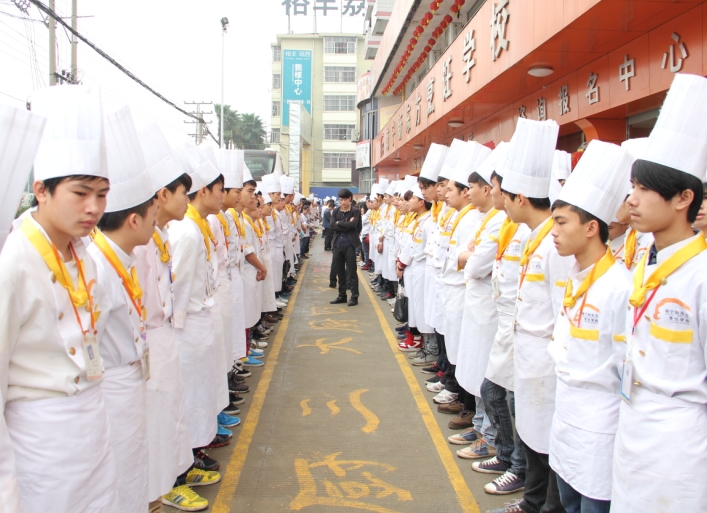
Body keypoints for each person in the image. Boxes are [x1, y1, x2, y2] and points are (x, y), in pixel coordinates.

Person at [0, 88, 118, 513]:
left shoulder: (86, 253)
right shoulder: (13, 263)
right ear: (42, 190)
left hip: (93, 426)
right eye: (80, 193)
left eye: (102, 194)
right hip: (41, 441)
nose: (94, 207)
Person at [611, 73, 707, 513]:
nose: (632, 199)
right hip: (633, 428)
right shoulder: (646, 260)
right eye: (633, 187)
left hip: (681, 447)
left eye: (644, 189)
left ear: (684, 198)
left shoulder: (700, 275)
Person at [489, 118, 572, 513]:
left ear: (520, 198)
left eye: (505, 196)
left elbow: (562, 314)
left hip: (545, 362)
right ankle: (532, 500)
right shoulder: (534, 238)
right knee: (531, 434)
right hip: (528, 355)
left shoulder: (555, 245)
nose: (501, 203)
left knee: (546, 443)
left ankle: (539, 503)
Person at [548, 140, 634, 513]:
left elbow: (626, 369)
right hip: (567, 416)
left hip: (601, 426)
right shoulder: (576, 275)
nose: (553, 232)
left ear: (591, 228)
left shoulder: (619, 287)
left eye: (561, 222)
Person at [134, 123, 209, 511]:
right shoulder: (140, 243)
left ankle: (175, 476)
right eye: (183, 192)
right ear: (162, 195)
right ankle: (164, 487)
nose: (188, 200)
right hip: (152, 344)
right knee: (158, 423)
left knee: (173, 415)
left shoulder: (161, 234)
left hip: (164, 340)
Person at [474, 144, 530, 496]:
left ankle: (517, 466)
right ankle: (510, 457)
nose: (493, 193)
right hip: (508, 322)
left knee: (511, 399)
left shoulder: (530, 233)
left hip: (522, 329)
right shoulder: (510, 225)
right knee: (497, 392)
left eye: (495, 187)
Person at [329, 188, 361, 307]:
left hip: (350, 244)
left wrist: (339, 223)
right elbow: (332, 226)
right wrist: (346, 224)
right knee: (340, 271)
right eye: (341, 200)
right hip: (337, 244)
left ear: (349, 199)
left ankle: (354, 296)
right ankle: (342, 295)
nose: (343, 202)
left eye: (345, 200)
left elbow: (355, 225)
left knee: (352, 272)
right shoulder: (335, 211)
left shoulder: (355, 211)